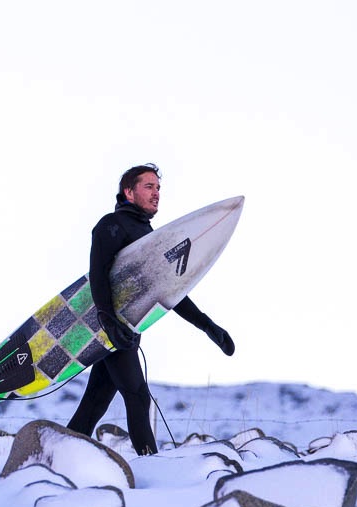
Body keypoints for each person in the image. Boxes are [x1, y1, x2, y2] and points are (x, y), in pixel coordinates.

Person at [66, 164, 235, 455]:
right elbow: (98, 273)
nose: (156, 193)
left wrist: (207, 325)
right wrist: (108, 319)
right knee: (137, 397)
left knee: (95, 402)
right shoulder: (111, 225)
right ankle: (151, 463)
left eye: (158, 188)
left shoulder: (147, 234)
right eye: (149, 187)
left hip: (124, 330)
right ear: (128, 192)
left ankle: (58, 452)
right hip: (113, 328)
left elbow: (168, 291)